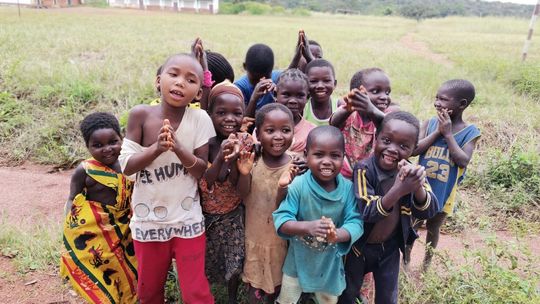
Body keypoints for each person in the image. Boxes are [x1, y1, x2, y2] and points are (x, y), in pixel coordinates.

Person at [119, 53, 215, 304]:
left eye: (190, 79)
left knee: (196, 292)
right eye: (174, 74)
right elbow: (127, 167)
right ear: (158, 80)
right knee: (149, 291)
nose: (180, 82)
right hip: (148, 220)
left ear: (197, 93)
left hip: (187, 220)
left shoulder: (200, 119)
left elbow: (201, 170)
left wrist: (179, 148)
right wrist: (156, 148)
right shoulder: (140, 115)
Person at [338, 111, 439, 304]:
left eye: (403, 146)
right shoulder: (364, 169)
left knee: (387, 297)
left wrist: (417, 187)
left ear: (414, 149)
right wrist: (399, 190)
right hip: (359, 248)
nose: (392, 149)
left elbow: (428, 210)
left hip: (390, 248)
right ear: (376, 138)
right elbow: (367, 211)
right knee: (348, 293)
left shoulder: (412, 172)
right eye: (386, 140)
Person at [272, 126, 363, 304]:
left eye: (335, 156)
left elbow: (356, 222)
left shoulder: (348, 189)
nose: (327, 161)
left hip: (329, 266)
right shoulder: (298, 185)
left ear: (343, 157)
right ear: (306, 155)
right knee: (287, 298)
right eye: (319, 154)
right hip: (296, 262)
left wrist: (337, 235)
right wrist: (308, 227)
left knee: (328, 299)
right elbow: (282, 219)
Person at [60, 112, 137, 304]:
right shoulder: (84, 170)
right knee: (101, 273)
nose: (107, 149)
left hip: (124, 230)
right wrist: (69, 225)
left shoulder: (130, 164)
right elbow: (72, 198)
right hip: (95, 234)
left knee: (126, 270)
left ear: (122, 138)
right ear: (87, 147)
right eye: (98, 145)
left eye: (113, 142)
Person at [405, 79, 481, 271]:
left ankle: (426, 265)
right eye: (436, 98)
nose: (437, 103)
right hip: (419, 188)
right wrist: (437, 133)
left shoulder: (470, 132)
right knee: (411, 226)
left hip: (445, 192)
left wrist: (447, 134)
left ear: (461, 104)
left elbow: (463, 160)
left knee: (433, 228)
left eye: (444, 99)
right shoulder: (430, 124)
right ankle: (405, 261)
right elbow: (414, 150)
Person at [236, 103, 295, 303]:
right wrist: (244, 174)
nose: (278, 136)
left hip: (281, 244)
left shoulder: (296, 166)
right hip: (254, 238)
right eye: (270, 131)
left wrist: (284, 186)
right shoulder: (253, 160)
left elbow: (290, 207)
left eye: (285, 130)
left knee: (277, 291)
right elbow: (243, 195)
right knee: (255, 291)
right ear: (258, 135)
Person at [199, 80, 248, 304]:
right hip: (206, 216)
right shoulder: (205, 144)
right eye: (221, 113)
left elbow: (240, 187)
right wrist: (221, 157)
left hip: (233, 216)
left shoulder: (245, 143)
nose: (229, 118)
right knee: (207, 259)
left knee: (234, 261)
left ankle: (231, 298)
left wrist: (237, 160)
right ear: (210, 114)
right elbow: (209, 180)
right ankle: (206, 294)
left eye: (237, 113)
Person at [330, 68, 390, 180]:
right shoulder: (349, 113)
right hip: (342, 176)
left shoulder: (385, 118)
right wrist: (349, 107)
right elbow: (334, 122)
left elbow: (390, 124)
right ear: (357, 93)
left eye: (387, 92)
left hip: (369, 178)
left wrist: (371, 109)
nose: (384, 97)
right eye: (376, 91)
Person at [273, 68, 316, 158]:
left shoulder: (312, 132)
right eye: (286, 94)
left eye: (300, 95)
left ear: (307, 97)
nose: (293, 101)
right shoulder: (264, 126)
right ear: (275, 95)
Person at [234, 43, 281, 119]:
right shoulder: (239, 88)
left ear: (272, 69)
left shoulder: (278, 79)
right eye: (255, 80)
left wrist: (278, 93)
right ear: (245, 67)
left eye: (266, 78)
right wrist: (254, 98)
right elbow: (243, 122)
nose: (260, 83)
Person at [303, 59, 339, 127]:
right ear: (305, 84)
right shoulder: (303, 108)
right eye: (313, 81)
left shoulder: (339, 106)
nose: (320, 86)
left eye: (326, 81)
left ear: (334, 84)